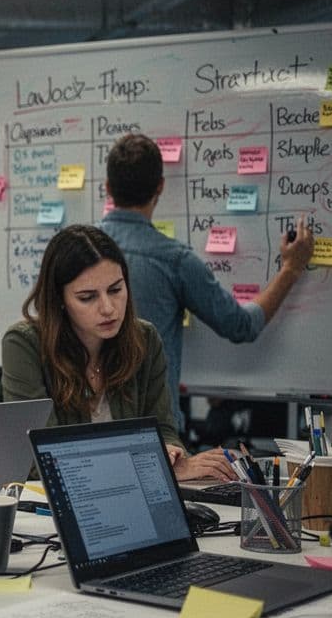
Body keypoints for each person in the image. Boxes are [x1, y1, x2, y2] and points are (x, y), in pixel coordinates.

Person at [99, 133, 315, 429]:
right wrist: (290, 268)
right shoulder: (173, 260)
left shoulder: (75, 252)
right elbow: (241, 325)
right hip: (154, 432)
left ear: (108, 188)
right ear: (160, 186)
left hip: (83, 426)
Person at [1, 224, 234, 482]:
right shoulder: (23, 344)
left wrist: (171, 454)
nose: (108, 308)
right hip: (55, 508)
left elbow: (164, 429)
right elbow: (43, 457)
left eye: (115, 289)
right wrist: (149, 464)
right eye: (87, 297)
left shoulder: (145, 338)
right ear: (60, 300)